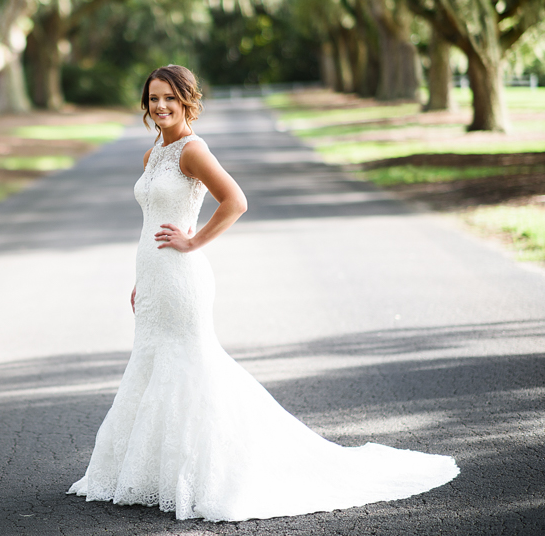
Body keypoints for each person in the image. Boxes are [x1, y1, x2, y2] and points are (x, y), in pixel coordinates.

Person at [67, 64, 459, 522]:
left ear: (187, 100)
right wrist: (142, 277)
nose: (160, 107)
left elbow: (235, 200)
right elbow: (151, 220)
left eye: (169, 98)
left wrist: (193, 242)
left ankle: (209, 473)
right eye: (154, 99)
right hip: (155, 278)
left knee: (190, 366)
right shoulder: (155, 151)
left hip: (182, 277)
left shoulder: (192, 150)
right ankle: (152, 474)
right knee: (153, 365)